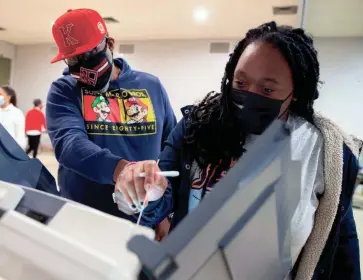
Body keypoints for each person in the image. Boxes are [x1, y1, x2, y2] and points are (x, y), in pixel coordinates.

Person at [115, 22, 361, 279]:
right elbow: (161, 202)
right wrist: (147, 188)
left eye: (267, 90)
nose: (250, 96)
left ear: (296, 92)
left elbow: (342, 247)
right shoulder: (197, 127)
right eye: (241, 83)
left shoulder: (323, 152)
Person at [46, 8, 176, 220]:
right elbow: (69, 144)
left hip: (143, 217)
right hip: (82, 217)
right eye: (72, 59)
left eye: (89, 52)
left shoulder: (151, 86)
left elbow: (171, 149)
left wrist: (166, 213)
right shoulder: (65, 90)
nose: (82, 64)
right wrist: (121, 170)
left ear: (110, 44)